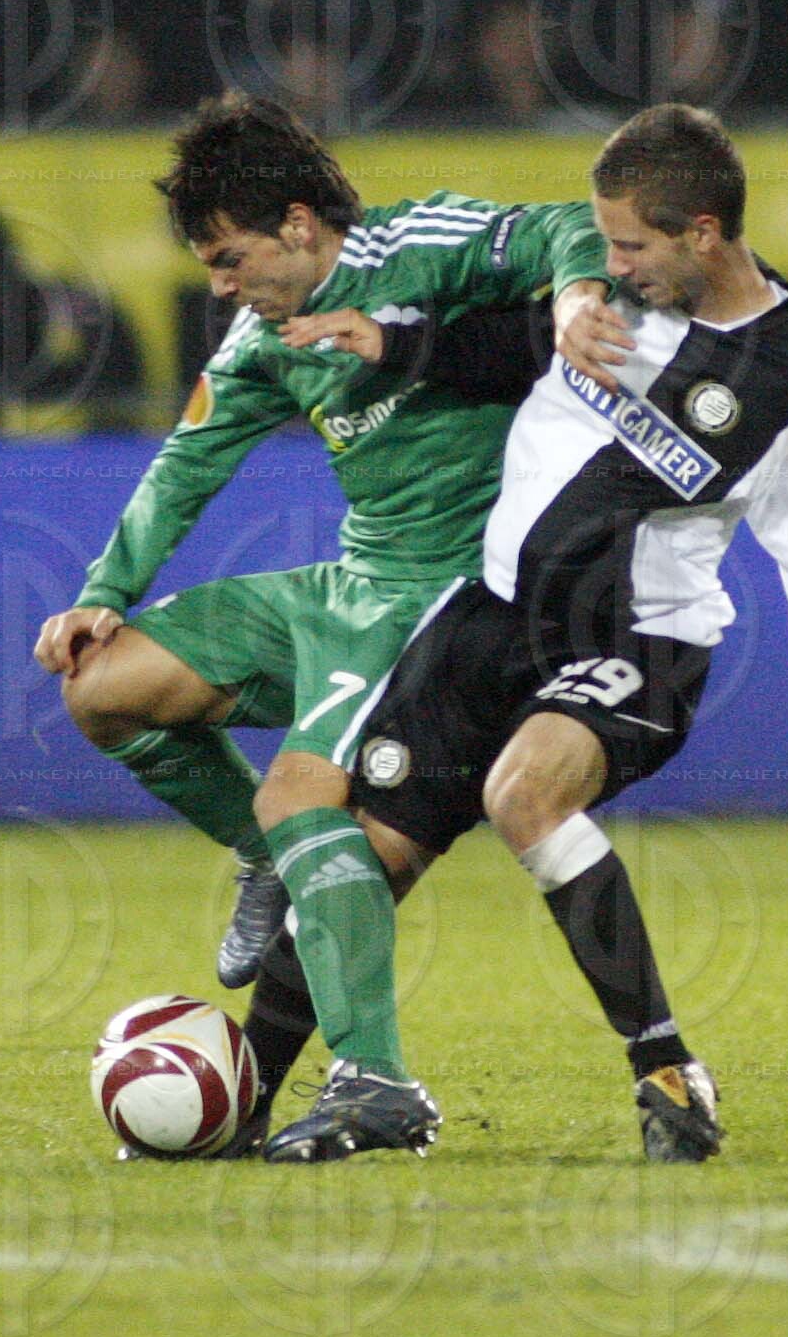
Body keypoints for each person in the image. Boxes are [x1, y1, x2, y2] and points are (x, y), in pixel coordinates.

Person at [232, 102, 788, 1164]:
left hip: (639, 638)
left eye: (630, 245)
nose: (611, 266)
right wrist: (399, 340)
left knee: (524, 793)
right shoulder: (607, 301)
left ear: (701, 233)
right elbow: (509, 344)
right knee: (364, 858)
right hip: (491, 616)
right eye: (604, 245)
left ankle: (666, 1070)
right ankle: (236, 1102)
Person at [32, 94, 620, 1008]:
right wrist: (105, 590)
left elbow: (568, 224)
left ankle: (369, 1078)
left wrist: (581, 292)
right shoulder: (262, 339)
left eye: (231, 259)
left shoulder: (421, 245)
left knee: (306, 802)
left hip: (447, 601)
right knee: (100, 688)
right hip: (356, 582)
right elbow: (187, 464)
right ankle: (265, 861)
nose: (222, 285)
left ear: (299, 225)